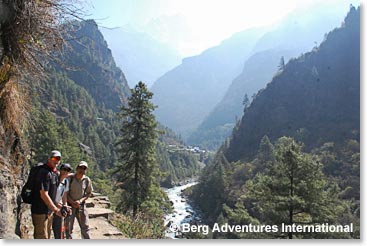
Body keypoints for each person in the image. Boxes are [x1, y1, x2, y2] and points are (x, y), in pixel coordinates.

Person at [31, 150, 64, 239]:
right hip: (40, 211)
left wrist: (57, 205)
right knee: (41, 237)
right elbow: (43, 194)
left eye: (58, 159)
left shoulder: (54, 173)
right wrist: (56, 210)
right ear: (49, 159)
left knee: (47, 237)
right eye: (54, 158)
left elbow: (53, 192)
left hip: (48, 212)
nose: (56, 160)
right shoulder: (44, 173)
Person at [66, 161, 93, 239]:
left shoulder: (87, 180)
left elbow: (88, 193)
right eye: (80, 168)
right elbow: (65, 193)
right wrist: (72, 202)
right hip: (70, 206)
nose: (82, 170)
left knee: (85, 227)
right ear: (77, 168)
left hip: (81, 206)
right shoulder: (70, 178)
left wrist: (80, 201)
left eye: (84, 168)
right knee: (68, 227)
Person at [52, 163, 72, 239]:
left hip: (58, 208)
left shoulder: (66, 182)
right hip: (49, 207)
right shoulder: (54, 180)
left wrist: (65, 206)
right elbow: (50, 195)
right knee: (46, 230)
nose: (65, 172)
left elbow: (64, 196)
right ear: (60, 170)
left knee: (59, 231)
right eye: (64, 169)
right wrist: (59, 205)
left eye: (68, 170)